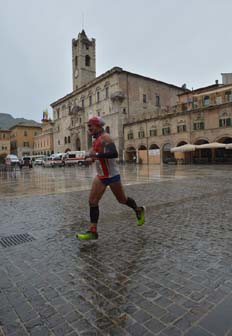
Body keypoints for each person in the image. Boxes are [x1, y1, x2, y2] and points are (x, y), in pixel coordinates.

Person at [76, 116, 145, 240]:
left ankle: (138, 210)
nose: (89, 128)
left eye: (90, 126)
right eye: (88, 126)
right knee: (92, 202)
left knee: (122, 200)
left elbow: (114, 154)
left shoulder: (105, 138)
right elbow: (96, 156)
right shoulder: (95, 140)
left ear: (97, 125)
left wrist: (95, 154)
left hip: (112, 175)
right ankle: (93, 232)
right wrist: (90, 160)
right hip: (101, 176)